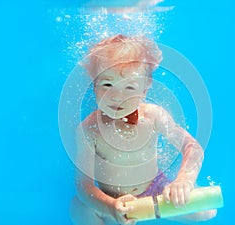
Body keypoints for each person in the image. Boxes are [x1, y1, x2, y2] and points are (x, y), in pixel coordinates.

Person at [70, 34, 216, 225]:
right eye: (107, 84)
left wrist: (184, 181)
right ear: (94, 85)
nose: (117, 96)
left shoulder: (154, 116)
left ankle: (173, 196)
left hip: (154, 192)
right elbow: (84, 185)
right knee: (78, 208)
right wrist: (110, 206)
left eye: (129, 87)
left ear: (145, 89)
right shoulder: (89, 130)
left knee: (207, 211)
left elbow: (192, 147)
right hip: (115, 201)